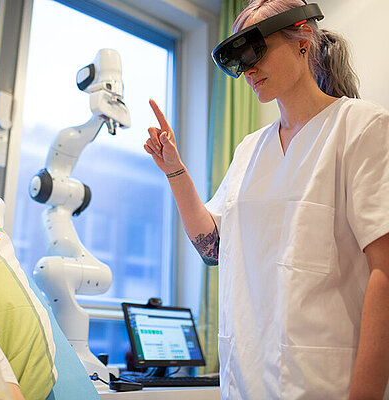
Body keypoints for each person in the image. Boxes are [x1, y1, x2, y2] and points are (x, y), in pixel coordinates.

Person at [144, 0, 389, 398]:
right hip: (245, 382)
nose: (248, 70)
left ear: (302, 40)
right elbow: (212, 249)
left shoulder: (360, 126)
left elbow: (386, 272)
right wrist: (174, 170)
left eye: (255, 52)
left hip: (324, 385)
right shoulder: (249, 149)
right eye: (239, 62)